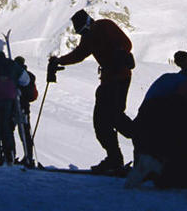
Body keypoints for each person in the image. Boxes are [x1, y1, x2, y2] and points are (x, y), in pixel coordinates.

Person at [48, 9, 135, 173]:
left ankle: (138, 145)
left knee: (112, 117)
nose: (82, 34)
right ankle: (116, 158)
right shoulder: (89, 37)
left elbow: (126, 43)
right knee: (103, 121)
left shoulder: (104, 25)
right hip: (109, 79)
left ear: (88, 22)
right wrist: (59, 61)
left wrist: (120, 53)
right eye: (80, 32)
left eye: (82, 30)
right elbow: (79, 54)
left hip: (119, 78)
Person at [125, 61, 187, 189]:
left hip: (144, 127)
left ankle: (150, 166)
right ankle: (157, 167)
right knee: (183, 177)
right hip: (163, 126)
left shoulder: (169, 78)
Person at [12, 56, 39, 165]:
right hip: (24, 108)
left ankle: (11, 155)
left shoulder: (13, 74)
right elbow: (32, 95)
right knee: (25, 133)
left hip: (13, 107)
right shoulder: (30, 76)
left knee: (9, 130)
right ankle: (29, 157)